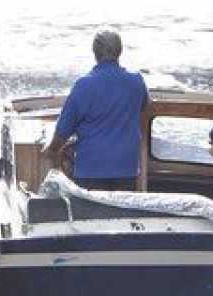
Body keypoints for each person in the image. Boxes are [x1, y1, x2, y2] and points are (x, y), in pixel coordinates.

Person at [44, 29, 150, 192]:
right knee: (123, 214)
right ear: (119, 51)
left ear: (95, 53)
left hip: (91, 170)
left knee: (91, 215)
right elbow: (144, 107)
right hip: (126, 168)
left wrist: (51, 150)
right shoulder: (136, 81)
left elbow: (64, 129)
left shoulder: (84, 85)